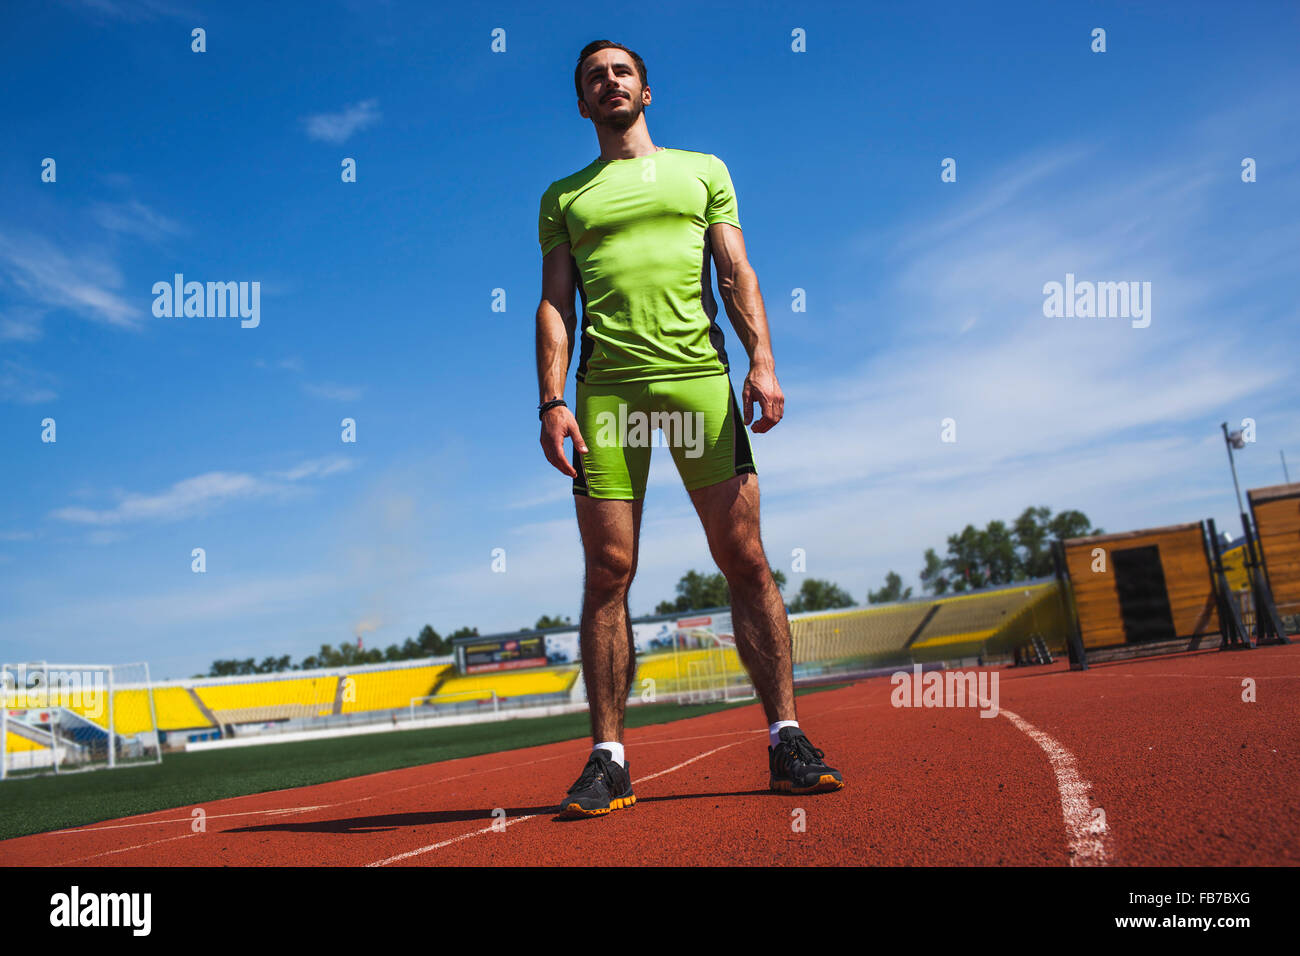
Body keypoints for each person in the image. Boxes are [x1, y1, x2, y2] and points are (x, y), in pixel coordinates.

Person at [535, 40, 845, 818]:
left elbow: (736, 271)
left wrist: (763, 361)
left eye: (621, 73)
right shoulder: (563, 196)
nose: (609, 83)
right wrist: (551, 401)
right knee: (609, 572)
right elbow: (555, 306)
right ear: (582, 104)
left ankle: (786, 738)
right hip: (606, 396)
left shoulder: (703, 170)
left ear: (646, 90)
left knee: (744, 558)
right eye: (594, 78)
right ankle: (609, 760)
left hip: (699, 384)